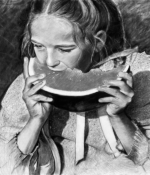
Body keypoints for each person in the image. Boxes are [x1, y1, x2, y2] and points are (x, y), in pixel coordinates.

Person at [0, 0, 149, 174]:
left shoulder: (140, 73)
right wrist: (36, 120)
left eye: (64, 49)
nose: (48, 61)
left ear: (97, 41)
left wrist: (118, 117)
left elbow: (146, 162)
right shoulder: (26, 86)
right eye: (39, 46)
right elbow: (6, 167)